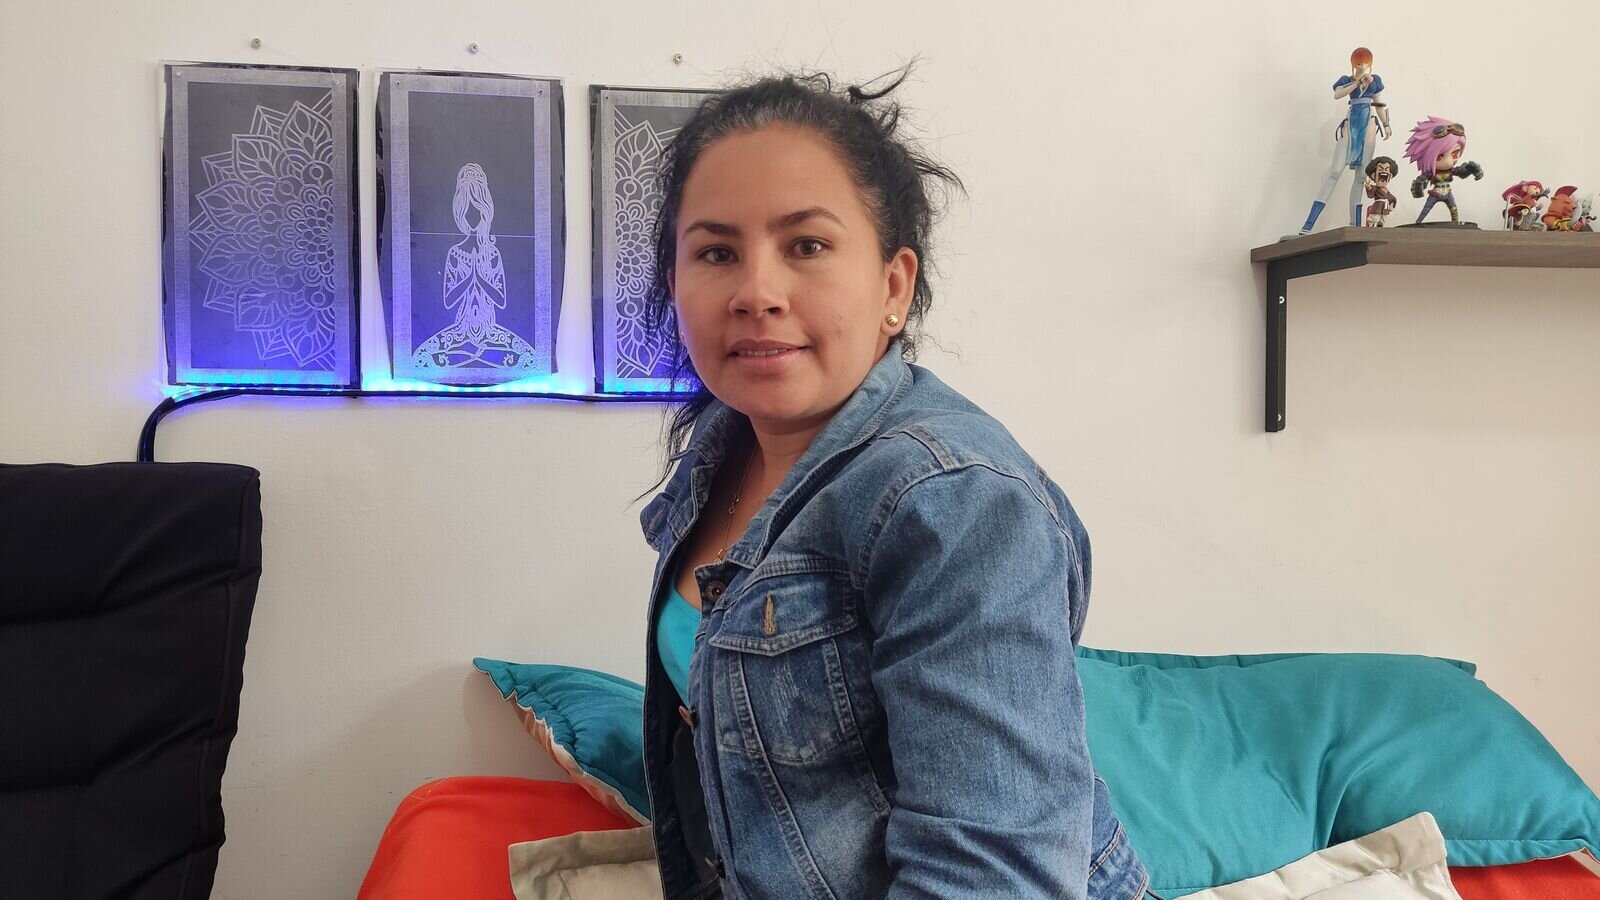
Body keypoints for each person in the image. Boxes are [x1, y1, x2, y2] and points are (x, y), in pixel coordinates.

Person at [636, 67, 1152, 900]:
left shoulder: (954, 500)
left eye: (806, 246)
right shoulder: (720, 451)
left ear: (893, 286)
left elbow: (996, 878)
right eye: (717, 252)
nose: (756, 292)